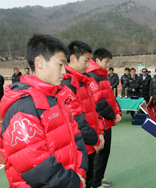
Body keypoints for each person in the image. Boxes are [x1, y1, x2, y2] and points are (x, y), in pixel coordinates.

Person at [0, 34, 88, 188]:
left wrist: (80, 171)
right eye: (60, 65)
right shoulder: (22, 107)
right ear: (39, 62)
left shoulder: (57, 97)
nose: (64, 72)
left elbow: (76, 137)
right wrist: (74, 181)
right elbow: (36, 165)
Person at [62, 41, 105, 188]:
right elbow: (77, 119)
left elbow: (94, 109)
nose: (88, 64)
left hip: (91, 142)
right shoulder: (68, 84)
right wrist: (96, 139)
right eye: (86, 60)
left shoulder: (84, 80)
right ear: (73, 59)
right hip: (82, 146)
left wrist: (99, 133)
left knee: (90, 180)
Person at [86, 47, 122, 188]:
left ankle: (99, 178)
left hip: (108, 122)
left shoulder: (103, 76)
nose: (108, 65)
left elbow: (111, 98)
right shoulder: (92, 77)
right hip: (100, 122)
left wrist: (117, 112)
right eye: (106, 61)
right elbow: (99, 102)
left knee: (105, 153)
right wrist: (114, 116)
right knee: (98, 155)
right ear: (98, 60)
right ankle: (95, 183)